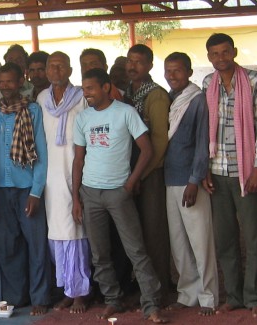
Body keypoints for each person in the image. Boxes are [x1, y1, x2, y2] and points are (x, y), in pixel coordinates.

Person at [73, 68, 168, 323]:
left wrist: (130, 183)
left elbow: (146, 150)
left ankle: (151, 305)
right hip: (90, 192)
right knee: (99, 254)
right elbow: (78, 159)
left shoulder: (126, 112)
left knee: (136, 250)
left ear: (106, 87)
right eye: (84, 89)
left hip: (118, 192)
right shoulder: (83, 118)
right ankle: (112, 300)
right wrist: (76, 197)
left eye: (90, 88)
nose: (87, 94)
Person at [201, 33, 257, 316]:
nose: (220, 58)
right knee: (225, 239)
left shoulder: (253, 80)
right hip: (217, 171)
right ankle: (234, 295)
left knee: (253, 238)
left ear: (234, 52)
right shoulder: (208, 83)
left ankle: (255, 296)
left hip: (245, 170)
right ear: (209, 57)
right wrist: (203, 167)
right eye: (215, 54)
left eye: (225, 52)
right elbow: (206, 128)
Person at [0, 62, 51, 315]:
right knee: (7, 247)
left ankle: (40, 297)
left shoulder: (32, 110)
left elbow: (41, 153)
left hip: (26, 188)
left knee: (36, 245)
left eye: (10, 81)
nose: (5, 86)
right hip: (1, 190)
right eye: (1, 82)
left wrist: (36, 191)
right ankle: (15, 297)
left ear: (20, 81)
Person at [160, 51, 219, 316]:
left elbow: (202, 143)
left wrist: (195, 180)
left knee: (200, 241)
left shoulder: (197, 100)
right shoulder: (170, 100)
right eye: (168, 71)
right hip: (169, 180)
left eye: (177, 71)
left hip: (190, 181)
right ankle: (188, 293)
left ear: (189, 72)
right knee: (179, 243)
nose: (172, 76)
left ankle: (208, 297)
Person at [37, 51, 92, 314]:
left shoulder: (81, 97)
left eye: (60, 65)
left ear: (70, 70)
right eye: (51, 65)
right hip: (49, 176)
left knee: (76, 232)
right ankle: (67, 290)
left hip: (75, 171)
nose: (55, 69)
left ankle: (80, 292)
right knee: (57, 234)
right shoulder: (41, 99)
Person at [124, 44, 174, 300]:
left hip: (150, 174)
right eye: (130, 61)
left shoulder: (155, 96)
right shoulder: (127, 94)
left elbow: (159, 141)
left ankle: (160, 291)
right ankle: (142, 287)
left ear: (150, 66)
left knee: (154, 234)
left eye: (139, 62)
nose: (133, 66)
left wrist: (140, 176)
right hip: (131, 174)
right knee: (135, 233)